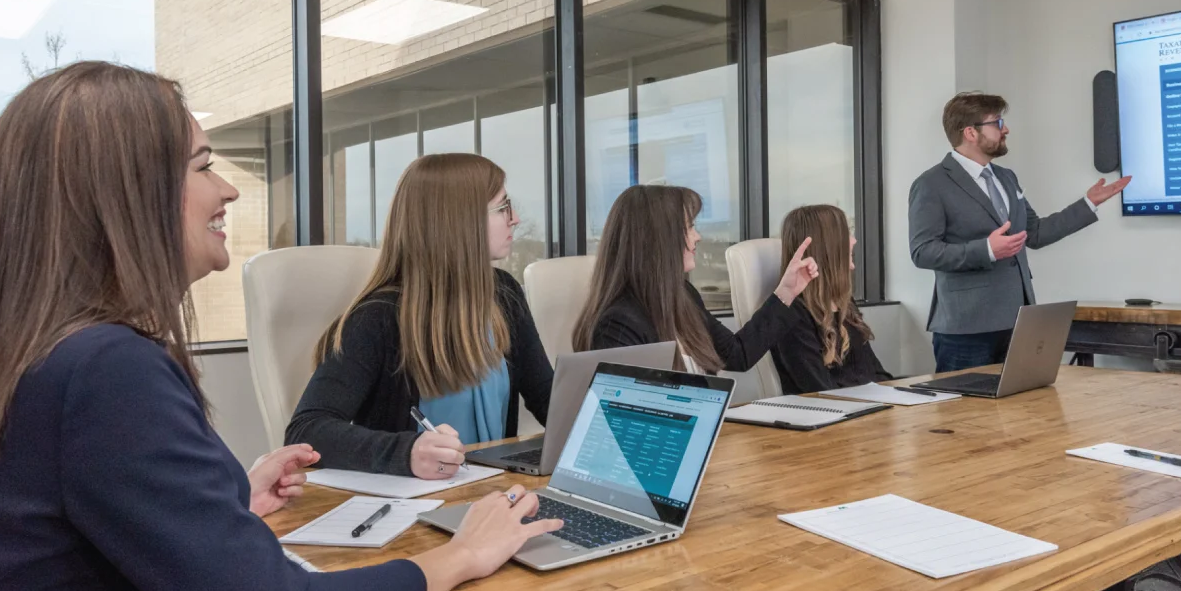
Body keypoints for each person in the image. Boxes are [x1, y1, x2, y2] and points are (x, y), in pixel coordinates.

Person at [0, 62, 562, 591]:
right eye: (202, 166)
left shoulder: (38, 355)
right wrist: (464, 554)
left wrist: (228, 505)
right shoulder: (107, 370)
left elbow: (83, 550)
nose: (227, 189)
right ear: (127, 192)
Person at [286, 153, 554, 479]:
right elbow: (306, 431)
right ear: (460, 221)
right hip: (412, 508)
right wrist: (408, 452)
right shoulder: (376, 318)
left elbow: (548, 400)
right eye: (502, 208)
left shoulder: (504, 294)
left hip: (490, 494)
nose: (514, 219)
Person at [908, 92, 1131, 372]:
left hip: (1017, 320)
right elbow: (922, 251)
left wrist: (1088, 203)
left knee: (1018, 411)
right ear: (970, 133)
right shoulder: (932, 184)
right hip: (966, 328)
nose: (1006, 129)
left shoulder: (1005, 177)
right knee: (966, 414)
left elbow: (1034, 233)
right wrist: (987, 250)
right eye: (998, 123)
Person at [571, 184, 818, 373]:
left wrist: (786, 292)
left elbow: (736, 354)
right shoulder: (616, 326)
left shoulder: (684, 295)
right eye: (689, 227)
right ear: (659, 240)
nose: (697, 236)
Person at [771, 205, 892, 394]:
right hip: (833, 416)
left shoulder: (844, 303)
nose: (854, 240)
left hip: (868, 409)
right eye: (846, 233)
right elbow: (819, 391)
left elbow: (875, 374)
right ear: (828, 245)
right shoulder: (793, 316)